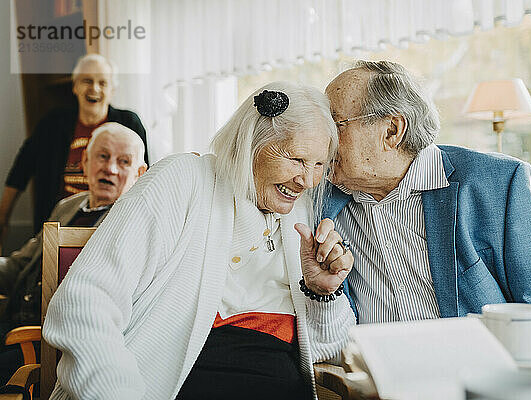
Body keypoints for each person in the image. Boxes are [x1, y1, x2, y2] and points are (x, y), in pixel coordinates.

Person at [42, 82, 356, 399]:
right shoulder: (182, 181)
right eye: (296, 159)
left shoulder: (296, 216)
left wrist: (321, 292)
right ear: (251, 143)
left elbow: (324, 351)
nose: (308, 180)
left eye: (319, 165)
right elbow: (85, 303)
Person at [323, 60, 531, 337]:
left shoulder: (498, 184)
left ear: (392, 130)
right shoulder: (321, 200)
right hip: (378, 373)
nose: (323, 140)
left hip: (484, 371)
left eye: (335, 125)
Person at [0, 122, 147, 384]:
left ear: (139, 173)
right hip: (10, 322)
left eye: (123, 162)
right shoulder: (67, 206)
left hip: (46, 344)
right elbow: (20, 265)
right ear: (85, 162)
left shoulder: (129, 224)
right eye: (102, 156)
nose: (110, 168)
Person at [0, 54, 149, 249]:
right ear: (75, 86)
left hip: (112, 226)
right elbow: (21, 169)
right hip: (60, 222)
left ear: (112, 90)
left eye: (102, 83)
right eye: (87, 80)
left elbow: (146, 180)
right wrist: (3, 217)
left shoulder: (128, 124)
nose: (94, 88)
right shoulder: (53, 123)